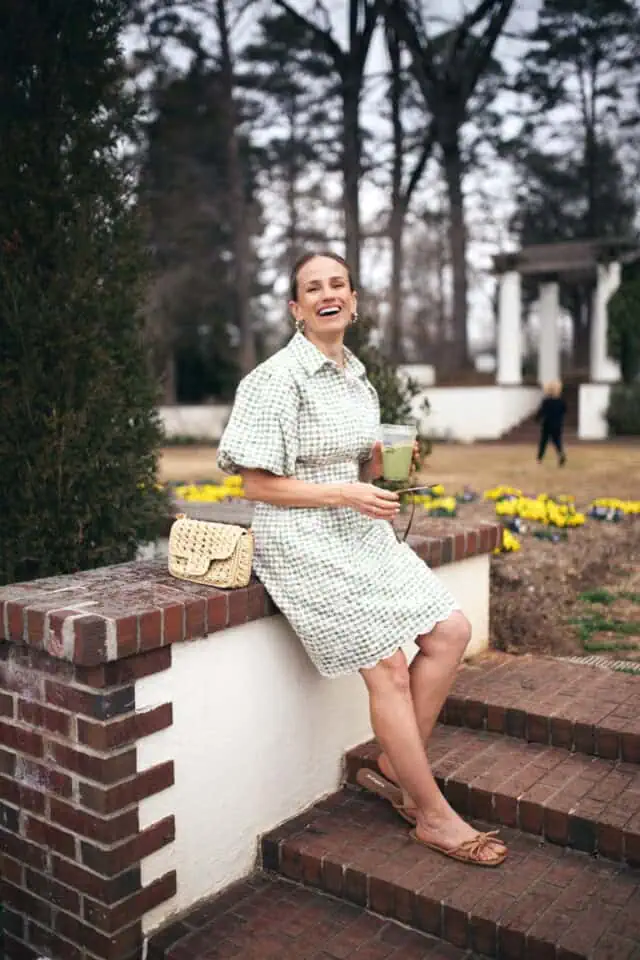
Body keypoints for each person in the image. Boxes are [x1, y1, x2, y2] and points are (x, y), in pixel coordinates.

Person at [217, 252, 506, 867]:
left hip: (358, 528)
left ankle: (395, 766)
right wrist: (345, 492)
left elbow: (355, 469)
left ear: (353, 301)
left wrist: (378, 467)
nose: (328, 294)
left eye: (338, 285)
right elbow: (256, 485)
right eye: (313, 288)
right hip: (300, 537)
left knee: (451, 631)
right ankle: (431, 814)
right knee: (389, 668)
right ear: (296, 309)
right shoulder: (274, 379)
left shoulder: (357, 377)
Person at [535, 380, 567, 466]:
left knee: (543, 442)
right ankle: (561, 455)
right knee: (557, 442)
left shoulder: (546, 401)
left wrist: (537, 419)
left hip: (547, 424)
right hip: (558, 424)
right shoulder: (561, 401)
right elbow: (564, 411)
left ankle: (539, 459)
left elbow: (541, 412)